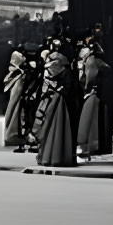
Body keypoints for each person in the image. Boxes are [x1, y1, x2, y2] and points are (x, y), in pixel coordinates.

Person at [34, 39, 77, 168]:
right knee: (62, 127)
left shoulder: (49, 64)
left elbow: (45, 84)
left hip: (50, 98)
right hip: (61, 98)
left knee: (46, 126)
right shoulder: (66, 65)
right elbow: (69, 83)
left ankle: (47, 155)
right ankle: (61, 155)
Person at [75, 41, 113, 159]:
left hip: (92, 93)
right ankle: (96, 146)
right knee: (94, 121)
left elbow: (87, 78)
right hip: (96, 93)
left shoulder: (90, 61)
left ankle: (92, 147)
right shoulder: (95, 61)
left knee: (91, 120)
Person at [2, 42, 31, 152]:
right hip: (19, 101)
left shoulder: (14, 73)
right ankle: (19, 142)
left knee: (17, 118)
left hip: (18, 101)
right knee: (18, 119)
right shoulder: (19, 75)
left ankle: (19, 143)